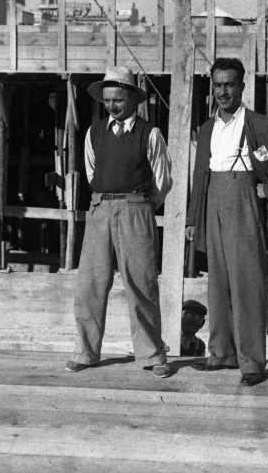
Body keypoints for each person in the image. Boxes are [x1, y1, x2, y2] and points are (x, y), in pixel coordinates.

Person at [185, 58, 268, 386]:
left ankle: (252, 362)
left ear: (241, 87)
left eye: (229, 84)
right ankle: (221, 353)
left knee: (248, 284)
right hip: (213, 205)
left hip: (245, 204)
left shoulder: (258, 124)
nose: (222, 91)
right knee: (218, 283)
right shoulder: (207, 128)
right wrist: (193, 219)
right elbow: (200, 176)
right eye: (217, 85)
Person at [67, 66, 174, 378]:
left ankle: (151, 355)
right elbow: (91, 172)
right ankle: (86, 352)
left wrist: (141, 205)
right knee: (90, 284)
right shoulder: (94, 132)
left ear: (133, 100)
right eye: (107, 101)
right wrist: (107, 198)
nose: (112, 107)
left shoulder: (150, 134)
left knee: (141, 284)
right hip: (101, 209)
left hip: (136, 209)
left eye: (118, 101)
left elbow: (163, 180)